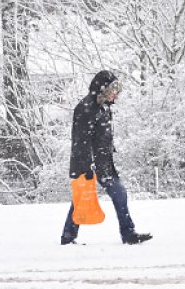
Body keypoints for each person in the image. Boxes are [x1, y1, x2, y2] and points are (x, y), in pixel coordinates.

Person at [61, 70, 152, 245]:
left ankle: (128, 233)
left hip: (104, 163)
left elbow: (101, 136)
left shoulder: (104, 107)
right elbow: (81, 140)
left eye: (117, 91)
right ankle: (68, 237)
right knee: (81, 200)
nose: (115, 95)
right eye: (113, 90)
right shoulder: (86, 108)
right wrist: (88, 166)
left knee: (119, 194)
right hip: (87, 165)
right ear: (103, 89)